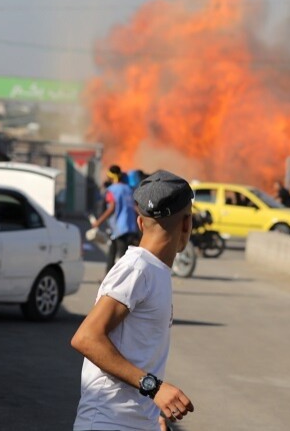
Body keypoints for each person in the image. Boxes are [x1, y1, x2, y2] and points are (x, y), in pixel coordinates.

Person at [72, 169, 196, 431]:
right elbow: (86, 337)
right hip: (108, 422)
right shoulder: (137, 268)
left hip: (134, 423)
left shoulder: (153, 270)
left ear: (140, 223)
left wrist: (154, 414)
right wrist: (154, 388)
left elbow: (140, 352)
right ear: (187, 223)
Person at [91, 165, 140, 273]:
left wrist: (98, 222)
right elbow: (135, 207)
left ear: (111, 176)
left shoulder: (111, 190)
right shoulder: (128, 188)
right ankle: (108, 277)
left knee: (120, 257)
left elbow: (112, 208)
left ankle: (120, 280)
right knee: (114, 252)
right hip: (130, 227)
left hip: (119, 229)